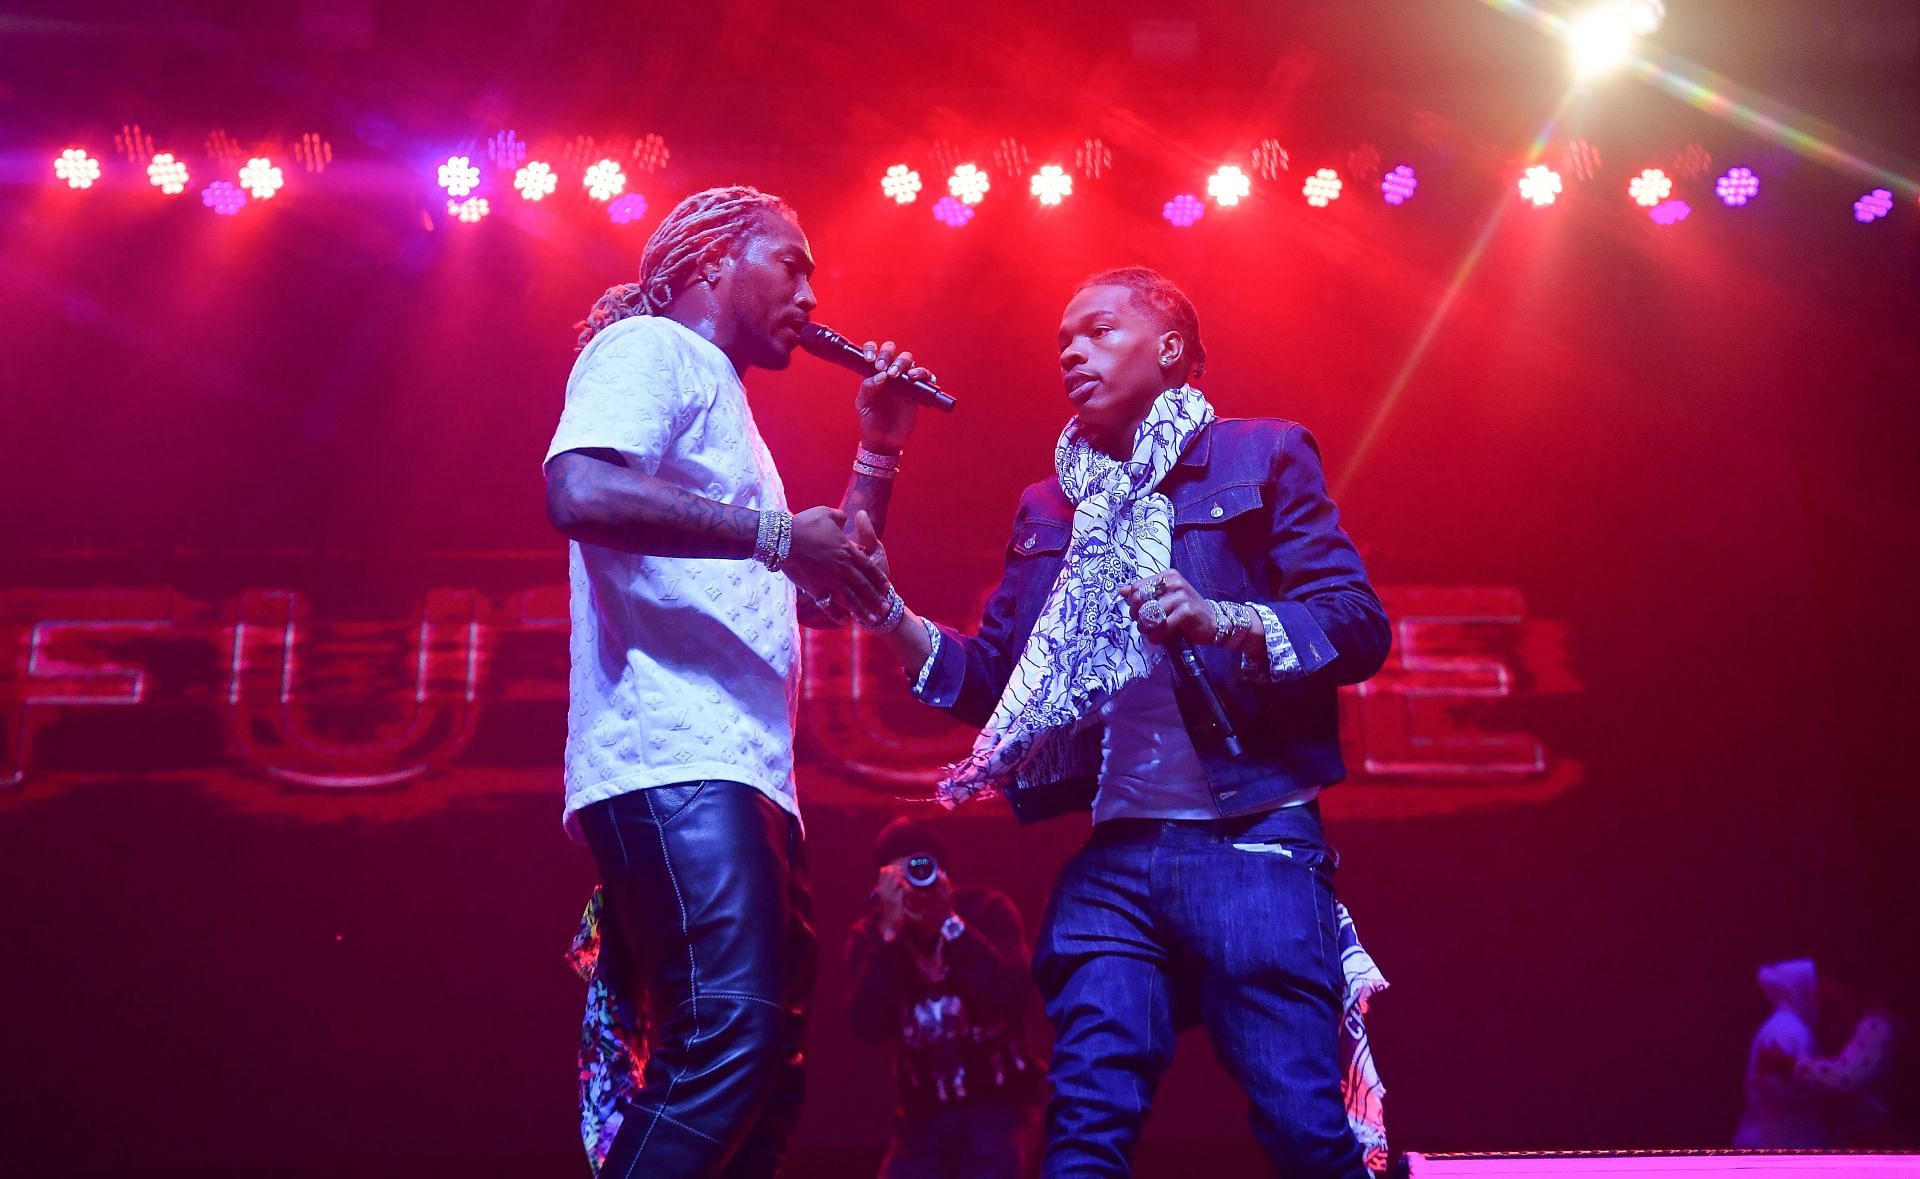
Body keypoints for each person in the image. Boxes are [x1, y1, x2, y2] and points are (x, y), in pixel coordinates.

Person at [862, 267, 1392, 1177]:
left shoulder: (1260, 456)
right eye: (1064, 339)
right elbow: (1002, 681)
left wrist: (1223, 619)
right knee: (1082, 1137)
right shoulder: (1049, 505)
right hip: (1118, 858)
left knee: (1306, 1133)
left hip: (1252, 840)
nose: (1072, 350)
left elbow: (1357, 623)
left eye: (1100, 330)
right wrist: (889, 614)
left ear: (1172, 349)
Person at [544, 184, 930, 1177]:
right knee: (727, 1041)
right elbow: (578, 488)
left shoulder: (728, 405)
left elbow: (829, 586)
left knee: (764, 1080)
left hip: (745, 772)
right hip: (673, 754)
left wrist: (878, 449)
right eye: (789, 264)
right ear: (712, 260)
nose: (809, 294)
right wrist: (770, 534)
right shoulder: (650, 352)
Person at [844, 817, 1045, 1179]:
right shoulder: (871, 936)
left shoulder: (987, 910)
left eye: (920, 867)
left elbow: (1017, 993)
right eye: (897, 875)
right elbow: (866, 1025)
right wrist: (888, 935)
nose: (911, 881)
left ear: (943, 870)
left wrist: (950, 925)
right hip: (921, 1118)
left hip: (1001, 1105)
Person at [1732, 959, 1826, 1147]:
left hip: (1783, 1136)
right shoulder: (1786, 1030)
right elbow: (1773, 1087)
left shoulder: (1790, 1026)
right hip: (1779, 1139)